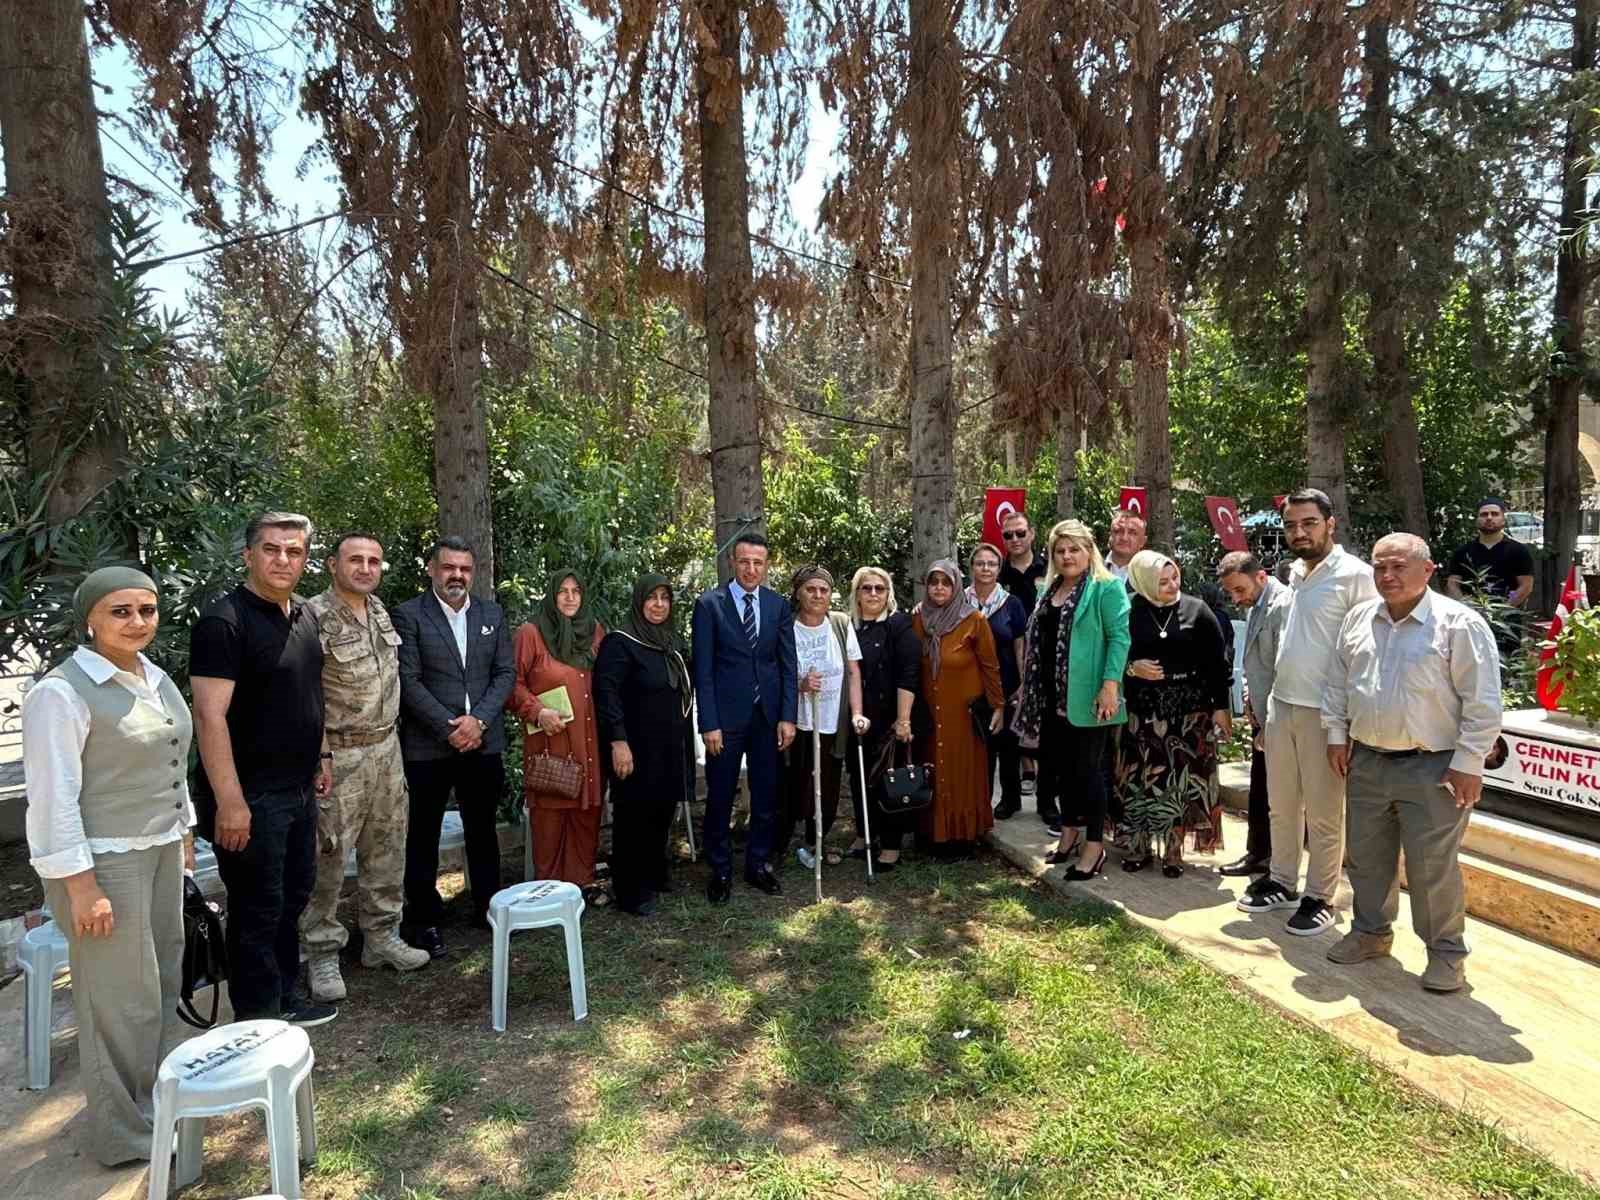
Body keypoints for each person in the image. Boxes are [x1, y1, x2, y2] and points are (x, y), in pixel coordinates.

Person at [22, 567, 196, 1164]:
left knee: (163, 982)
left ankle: (155, 1103)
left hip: (158, 850)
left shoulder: (155, 676)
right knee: (119, 1001)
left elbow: (170, 763)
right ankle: (122, 1135)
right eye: (121, 611)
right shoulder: (61, 692)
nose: (137, 622)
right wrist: (81, 886)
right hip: (100, 864)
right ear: (91, 618)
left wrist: (183, 833)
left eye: (146, 610)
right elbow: (52, 799)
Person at [1323, 534, 1502, 993]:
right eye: (1380, 568)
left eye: (1399, 567)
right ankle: (1370, 932)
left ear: (1428, 570)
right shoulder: (1360, 619)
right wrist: (1337, 735)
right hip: (1367, 760)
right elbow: (1338, 684)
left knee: (1431, 866)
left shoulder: (1458, 625)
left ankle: (1445, 953)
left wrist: (1469, 762)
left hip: (1435, 766)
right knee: (1365, 857)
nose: (1387, 577)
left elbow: (1482, 703)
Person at [191, 511, 335, 1025]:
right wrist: (230, 801)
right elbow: (210, 717)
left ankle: (285, 1001)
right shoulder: (224, 622)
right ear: (249, 554)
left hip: (297, 790)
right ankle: (257, 1018)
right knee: (256, 909)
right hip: (250, 797)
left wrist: (320, 756)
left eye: (294, 551)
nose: (283, 560)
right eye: (272, 549)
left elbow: (308, 695)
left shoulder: (304, 616)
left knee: (292, 898)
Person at [1237, 488, 1377, 935]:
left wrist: (1347, 722)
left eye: (1309, 523)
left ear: (1330, 524)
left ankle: (1321, 894)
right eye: (1292, 525)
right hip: (1284, 706)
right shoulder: (1294, 573)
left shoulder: (1356, 576)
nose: (1299, 532)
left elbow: (1365, 650)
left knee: (1322, 811)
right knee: (1281, 804)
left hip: (1325, 713)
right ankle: (1282, 879)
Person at [301, 533, 430, 1004]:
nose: (365, 567)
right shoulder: (311, 615)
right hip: (339, 753)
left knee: (388, 847)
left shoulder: (379, 611)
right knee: (329, 856)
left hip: (386, 748)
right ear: (334, 564)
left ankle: (381, 938)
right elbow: (305, 692)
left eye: (373, 561)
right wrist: (319, 754)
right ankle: (320, 951)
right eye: (355, 559)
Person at [393, 536, 515, 957]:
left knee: (482, 829)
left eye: (464, 568)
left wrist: (477, 721)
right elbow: (407, 681)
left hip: (483, 742)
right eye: (449, 568)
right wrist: (450, 728)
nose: (457, 576)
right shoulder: (409, 616)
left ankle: (488, 906)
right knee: (422, 834)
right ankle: (423, 919)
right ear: (431, 569)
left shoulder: (491, 614)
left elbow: (504, 674)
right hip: (429, 747)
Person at [1013, 522, 1131, 880]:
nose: (1067, 556)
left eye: (1074, 549)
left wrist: (1110, 686)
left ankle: (1094, 847)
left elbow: (1119, 639)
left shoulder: (1105, 588)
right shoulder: (1050, 589)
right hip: (1050, 697)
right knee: (1062, 771)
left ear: (1088, 550)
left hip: (1090, 698)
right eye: (1061, 550)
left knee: (1089, 774)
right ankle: (1068, 834)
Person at [691, 532, 799, 902]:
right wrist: (709, 723)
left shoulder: (777, 606)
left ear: (766, 566)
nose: (751, 569)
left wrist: (788, 716)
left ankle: (757, 865)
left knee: (766, 795)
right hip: (725, 720)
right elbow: (702, 670)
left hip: (767, 718)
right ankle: (720, 869)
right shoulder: (710, 605)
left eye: (758, 562)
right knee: (720, 794)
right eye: (744, 561)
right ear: (732, 563)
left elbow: (788, 664)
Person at [1118, 551, 1233, 877]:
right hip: (1142, 712)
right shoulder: (1129, 609)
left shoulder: (1198, 610)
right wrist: (1132, 667)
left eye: (1174, 578)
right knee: (1142, 780)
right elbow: (1111, 655)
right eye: (1162, 582)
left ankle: (1173, 850)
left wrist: (1221, 708)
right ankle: (1138, 845)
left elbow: (1217, 665)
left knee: (1179, 784)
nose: (1171, 586)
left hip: (1188, 714)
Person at [594, 573, 695, 916]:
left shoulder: (670, 642)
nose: (659, 605)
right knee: (633, 815)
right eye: (651, 598)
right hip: (634, 747)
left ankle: (653, 874)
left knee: (661, 810)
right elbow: (606, 695)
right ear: (639, 602)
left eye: (664, 598)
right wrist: (618, 741)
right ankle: (630, 890)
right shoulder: (620, 643)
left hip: (668, 745)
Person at [511, 569, 607, 897]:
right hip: (550, 740)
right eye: (562, 591)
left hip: (590, 740)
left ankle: (581, 886)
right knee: (550, 815)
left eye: (576, 591)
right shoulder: (531, 633)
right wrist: (537, 710)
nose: (569, 597)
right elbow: (511, 683)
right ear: (552, 595)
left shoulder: (594, 632)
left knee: (586, 811)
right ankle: (547, 891)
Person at [776, 565, 868, 869]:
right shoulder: (785, 626)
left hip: (832, 721)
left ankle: (816, 842)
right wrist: (799, 685)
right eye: (810, 589)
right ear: (798, 592)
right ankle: (780, 844)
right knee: (793, 784)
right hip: (797, 721)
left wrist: (856, 713)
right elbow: (775, 673)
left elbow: (853, 672)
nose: (817, 595)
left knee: (827, 785)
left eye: (824, 590)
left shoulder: (840, 624)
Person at [912, 560, 1005, 859]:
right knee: (932, 769)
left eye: (946, 582)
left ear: (955, 586)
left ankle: (962, 837)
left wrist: (999, 706)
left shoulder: (974, 620)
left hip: (963, 715)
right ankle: (931, 834)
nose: (939, 588)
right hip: (929, 714)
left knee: (961, 772)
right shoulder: (917, 619)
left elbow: (990, 667)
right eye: (934, 582)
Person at [1215, 550, 1290, 878]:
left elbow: (1283, 667)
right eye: (1231, 592)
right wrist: (1248, 693)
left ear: (1261, 576)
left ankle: (1277, 866)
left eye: (1240, 590)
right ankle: (1258, 854)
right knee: (1261, 790)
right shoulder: (1256, 604)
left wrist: (1269, 720)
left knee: (1279, 797)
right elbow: (1256, 660)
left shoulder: (1283, 606)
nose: (1236, 598)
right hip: (1261, 713)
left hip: (1281, 716)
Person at [842, 567, 921, 871]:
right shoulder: (850, 626)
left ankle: (890, 846)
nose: (873, 593)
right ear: (857, 594)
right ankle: (864, 835)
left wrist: (903, 720)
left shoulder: (898, 625)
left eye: (880, 588)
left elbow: (909, 673)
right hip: (858, 717)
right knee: (860, 778)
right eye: (866, 588)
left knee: (890, 781)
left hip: (891, 718)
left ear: (889, 594)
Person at [967, 543, 1029, 821]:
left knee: (1007, 745)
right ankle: (979, 799)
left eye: (991, 564)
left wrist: (1023, 681)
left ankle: (1010, 799)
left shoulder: (1011, 603)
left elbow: (1019, 644)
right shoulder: (960, 602)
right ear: (971, 568)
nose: (986, 568)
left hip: (1006, 683)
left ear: (999, 569)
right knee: (979, 746)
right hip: (969, 685)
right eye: (980, 563)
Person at [1445, 497, 1535, 609]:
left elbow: (1526, 586)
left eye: (1495, 514)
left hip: (1508, 620)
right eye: (1484, 514)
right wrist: (1467, 608)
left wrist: (1502, 610)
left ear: (1503, 519)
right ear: (1476, 519)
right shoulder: (1462, 552)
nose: (1489, 517)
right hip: (1470, 618)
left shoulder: (1518, 551)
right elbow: (1452, 584)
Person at [997, 510, 1046, 614]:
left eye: (1020, 533)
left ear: (1032, 533)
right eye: (1008, 535)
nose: (1014, 539)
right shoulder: (997, 573)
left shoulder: (1049, 569)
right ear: (1003, 539)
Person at [1105, 510, 1148, 582]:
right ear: (1110, 535)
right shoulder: (1092, 568)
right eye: (1118, 531)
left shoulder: (1150, 573)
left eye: (1132, 533)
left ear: (1142, 541)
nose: (1124, 538)